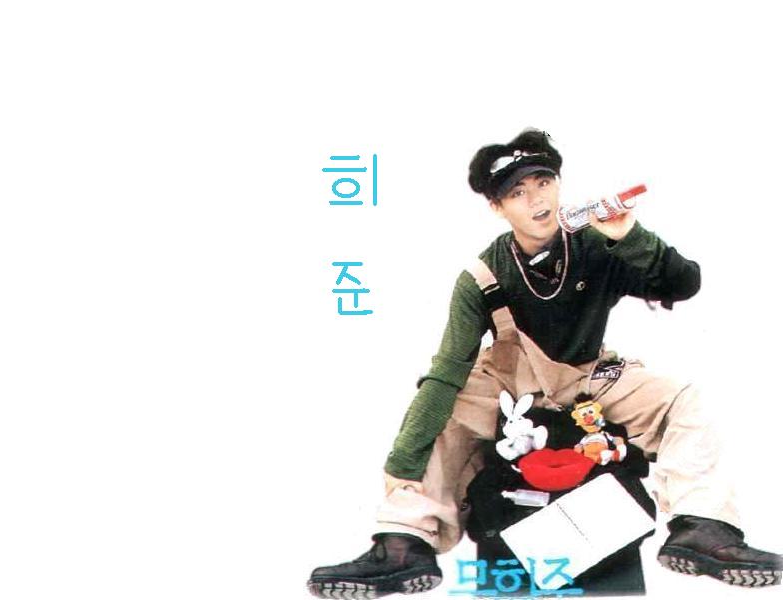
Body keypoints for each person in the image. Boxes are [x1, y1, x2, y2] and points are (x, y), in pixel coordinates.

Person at [307, 129, 783, 598]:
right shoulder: (481, 275)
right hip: (508, 382)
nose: (536, 199)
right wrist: (403, 457)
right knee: (444, 411)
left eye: (543, 182)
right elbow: (448, 369)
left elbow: (683, 284)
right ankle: (404, 544)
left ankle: (702, 528)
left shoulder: (599, 244)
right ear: (497, 207)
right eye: (517, 192)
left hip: (590, 375)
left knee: (680, 399)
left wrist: (628, 235)